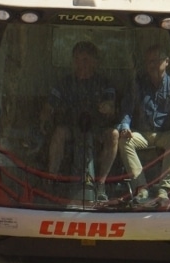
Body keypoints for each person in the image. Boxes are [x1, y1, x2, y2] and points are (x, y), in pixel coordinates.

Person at [43, 41, 120, 200]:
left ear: (95, 62)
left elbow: (111, 108)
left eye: (85, 59)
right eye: (77, 59)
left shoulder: (105, 83)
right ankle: (50, 181)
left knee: (113, 135)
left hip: (98, 128)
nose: (81, 63)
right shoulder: (64, 83)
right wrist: (45, 117)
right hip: (71, 127)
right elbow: (49, 106)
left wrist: (107, 108)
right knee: (58, 133)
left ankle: (101, 184)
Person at [119, 45, 170, 205]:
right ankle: (141, 187)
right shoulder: (139, 84)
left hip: (165, 134)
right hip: (143, 133)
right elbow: (127, 109)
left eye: (156, 60)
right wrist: (125, 126)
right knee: (124, 141)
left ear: (167, 62)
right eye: (149, 62)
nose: (153, 65)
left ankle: (164, 189)